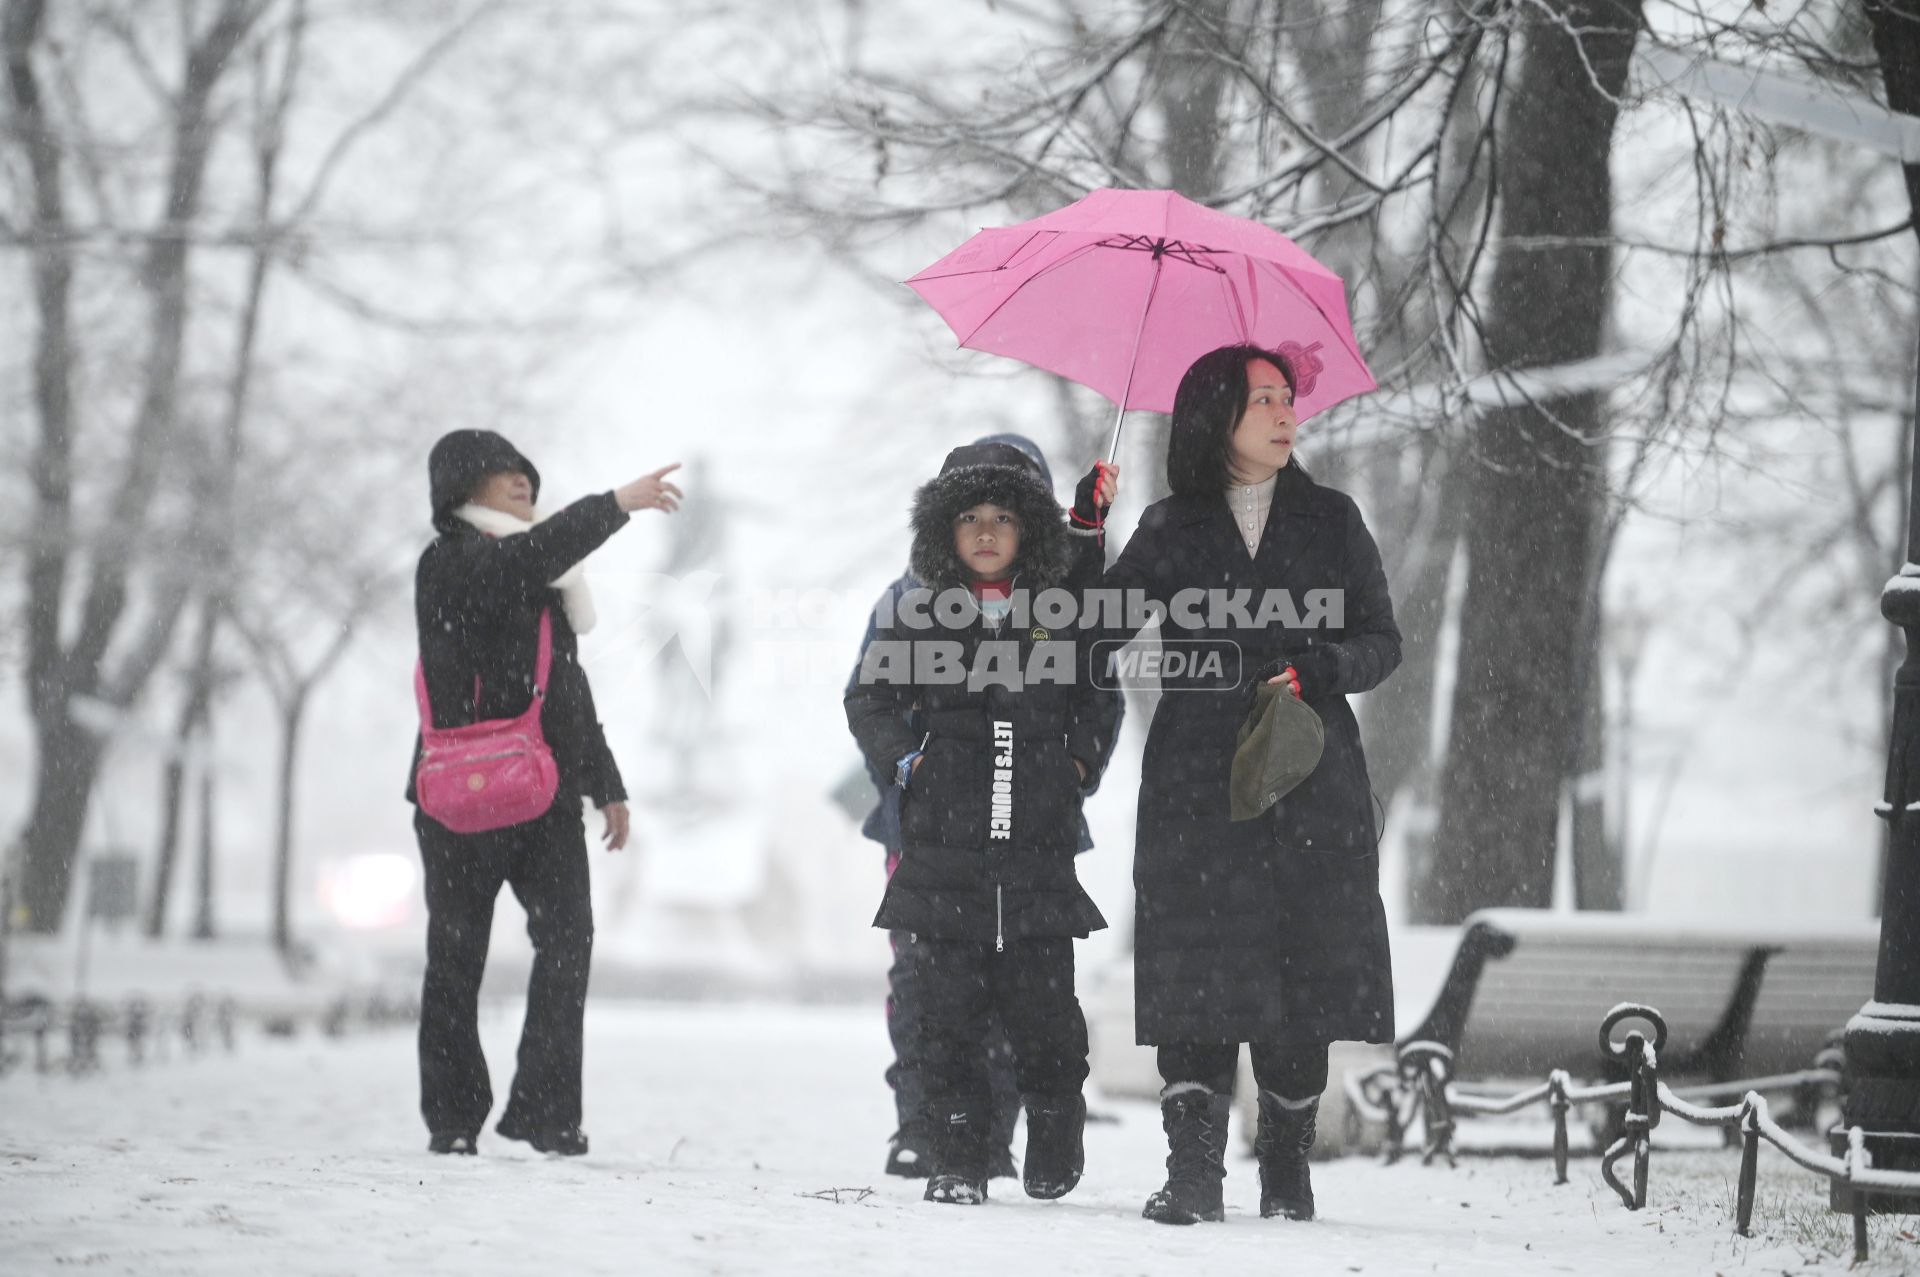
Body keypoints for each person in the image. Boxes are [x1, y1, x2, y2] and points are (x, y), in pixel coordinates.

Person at [1073, 345, 1401, 1223]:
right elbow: (1088, 642)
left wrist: (1317, 667)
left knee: (1304, 968)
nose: (1286, 412)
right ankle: (1193, 1176)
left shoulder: (1333, 519)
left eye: (1287, 397)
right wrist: (1084, 539)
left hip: (1309, 770)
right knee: (1196, 968)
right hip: (1197, 780)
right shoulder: (1172, 527)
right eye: (1263, 399)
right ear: (1217, 418)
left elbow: (1381, 639)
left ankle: (1287, 1174)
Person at [844, 441, 1115, 1205]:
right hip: (942, 851)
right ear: (943, 530)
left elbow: (1100, 681)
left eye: (1006, 516)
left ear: (1033, 527)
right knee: (944, 1016)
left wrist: (1076, 767)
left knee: (1044, 1015)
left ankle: (1054, 1123)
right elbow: (868, 700)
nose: (988, 531)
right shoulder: (916, 610)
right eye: (970, 516)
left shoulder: (1059, 613)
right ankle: (955, 1151)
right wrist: (911, 766)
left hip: (1034, 853)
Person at [407, 428, 682, 1156]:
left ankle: (546, 1109)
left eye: (524, 471)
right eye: (502, 473)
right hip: (463, 792)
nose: (521, 480)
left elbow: (565, 690)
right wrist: (615, 505)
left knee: (567, 941)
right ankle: (454, 1117)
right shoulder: (452, 563)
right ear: (462, 489)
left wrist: (606, 783)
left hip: (543, 790)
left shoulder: (542, 583)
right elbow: (520, 560)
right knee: (457, 954)